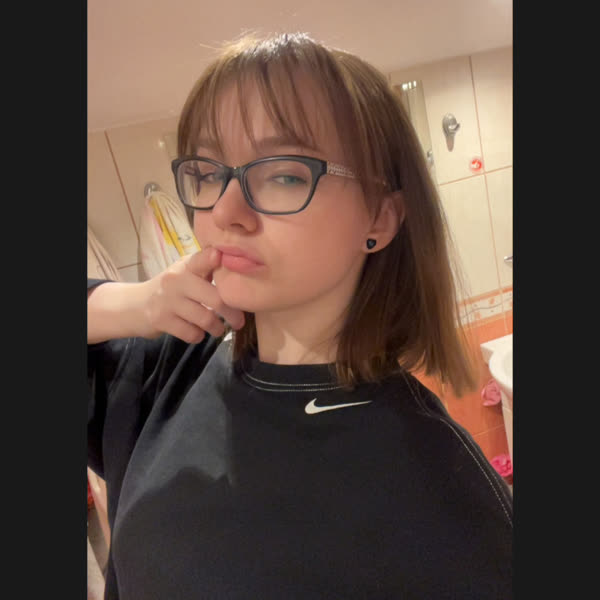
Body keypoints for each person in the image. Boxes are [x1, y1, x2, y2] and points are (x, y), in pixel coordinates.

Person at [88, 32, 512, 599]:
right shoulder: (170, 363)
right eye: (210, 172)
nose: (225, 211)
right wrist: (138, 303)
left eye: (284, 174)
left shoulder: (444, 499)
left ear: (379, 219)